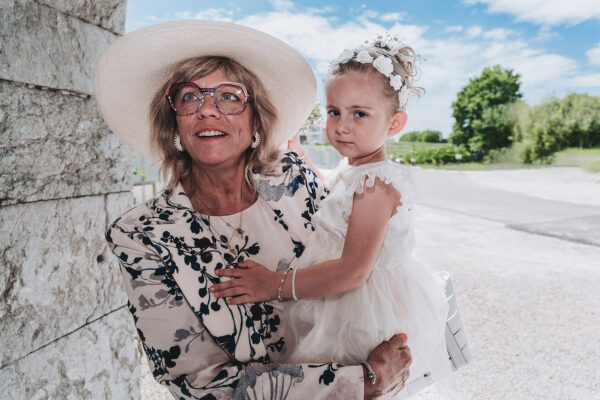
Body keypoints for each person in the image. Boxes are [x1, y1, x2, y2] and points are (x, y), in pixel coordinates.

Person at [95, 20, 411, 399]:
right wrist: (360, 382)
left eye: (229, 96)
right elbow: (199, 384)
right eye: (189, 97)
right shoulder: (141, 235)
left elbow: (362, 263)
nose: (207, 110)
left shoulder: (295, 178)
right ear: (173, 122)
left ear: (256, 119)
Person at [210, 40, 453, 397]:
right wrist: (301, 157)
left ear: (395, 123)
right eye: (334, 111)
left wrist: (273, 284)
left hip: (357, 308)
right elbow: (335, 197)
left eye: (359, 114)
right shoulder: (356, 170)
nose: (341, 126)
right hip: (337, 295)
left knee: (334, 373)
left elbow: (353, 271)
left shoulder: (376, 184)